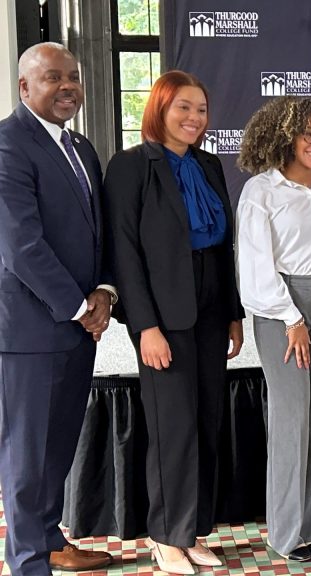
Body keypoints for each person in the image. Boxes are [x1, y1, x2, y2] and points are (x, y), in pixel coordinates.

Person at [103, 70, 244, 574]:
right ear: (159, 107)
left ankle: (193, 530)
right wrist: (145, 327)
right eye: (183, 107)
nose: (194, 118)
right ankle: (165, 536)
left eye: (201, 109)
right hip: (164, 316)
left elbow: (223, 246)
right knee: (173, 428)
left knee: (206, 419)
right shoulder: (131, 166)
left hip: (209, 310)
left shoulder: (208, 163)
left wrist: (232, 313)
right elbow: (124, 252)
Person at [0, 42, 114, 574]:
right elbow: (21, 245)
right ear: (25, 88)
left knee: (57, 447)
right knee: (26, 458)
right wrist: (78, 305)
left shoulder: (83, 148)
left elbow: (97, 235)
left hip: (75, 329)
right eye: (52, 78)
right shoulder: (7, 144)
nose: (67, 86)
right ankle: (27, 563)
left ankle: (49, 542)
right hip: (29, 331)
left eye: (73, 77)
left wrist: (105, 294)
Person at [236, 97, 311, 562]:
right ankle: (285, 534)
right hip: (285, 306)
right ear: (284, 135)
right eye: (309, 134)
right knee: (291, 420)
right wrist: (292, 319)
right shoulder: (261, 192)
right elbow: (255, 268)